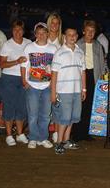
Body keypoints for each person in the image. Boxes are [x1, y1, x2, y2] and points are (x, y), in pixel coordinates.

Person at [21, 22, 57, 149]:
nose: (41, 35)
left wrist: (53, 85)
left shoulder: (53, 49)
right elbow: (23, 65)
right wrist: (24, 82)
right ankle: (33, 138)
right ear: (35, 34)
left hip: (47, 86)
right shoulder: (29, 47)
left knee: (45, 114)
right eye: (39, 33)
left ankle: (43, 138)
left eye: (44, 33)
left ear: (47, 34)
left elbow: (55, 69)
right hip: (32, 86)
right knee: (32, 114)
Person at [51, 28, 86, 154]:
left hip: (76, 91)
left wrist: (84, 89)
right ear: (65, 37)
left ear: (77, 36)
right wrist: (53, 93)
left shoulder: (80, 52)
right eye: (69, 35)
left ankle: (66, 141)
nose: (72, 37)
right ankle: (58, 143)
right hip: (63, 91)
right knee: (64, 118)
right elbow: (54, 74)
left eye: (74, 35)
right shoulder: (59, 53)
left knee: (73, 117)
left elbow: (83, 72)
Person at [71, 20, 106, 142]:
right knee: (78, 106)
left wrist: (101, 80)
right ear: (83, 31)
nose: (90, 33)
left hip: (93, 77)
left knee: (89, 106)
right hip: (80, 76)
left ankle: (85, 133)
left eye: (93, 31)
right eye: (88, 30)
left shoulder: (98, 45)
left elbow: (102, 65)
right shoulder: (77, 44)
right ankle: (75, 134)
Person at [0, 20, 31, 146]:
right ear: (12, 31)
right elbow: (1, 64)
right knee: (9, 106)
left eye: (20, 30)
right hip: (9, 79)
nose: (17, 32)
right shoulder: (7, 44)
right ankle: (8, 135)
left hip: (24, 78)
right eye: (15, 30)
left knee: (22, 107)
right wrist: (16, 62)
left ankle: (20, 133)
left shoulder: (29, 43)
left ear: (24, 31)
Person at [46, 12, 64, 143]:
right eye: (52, 22)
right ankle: (42, 133)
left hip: (59, 80)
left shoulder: (63, 39)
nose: (54, 25)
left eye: (57, 23)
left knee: (58, 108)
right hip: (42, 80)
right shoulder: (42, 36)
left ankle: (57, 133)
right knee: (44, 109)